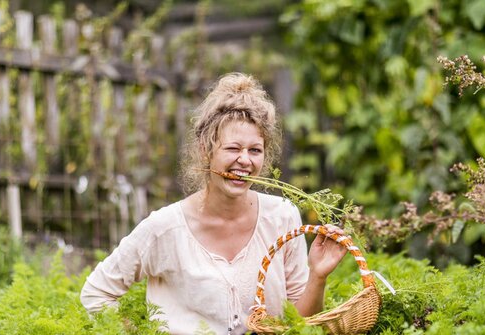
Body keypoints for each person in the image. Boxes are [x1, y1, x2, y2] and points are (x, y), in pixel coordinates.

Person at [80, 73, 347, 334]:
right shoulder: (165, 229)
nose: (245, 160)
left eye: (255, 150)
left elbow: (301, 323)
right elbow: (96, 294)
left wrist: (318, 276)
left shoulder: (282, 218)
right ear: (205, 150)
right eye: (233, 148)